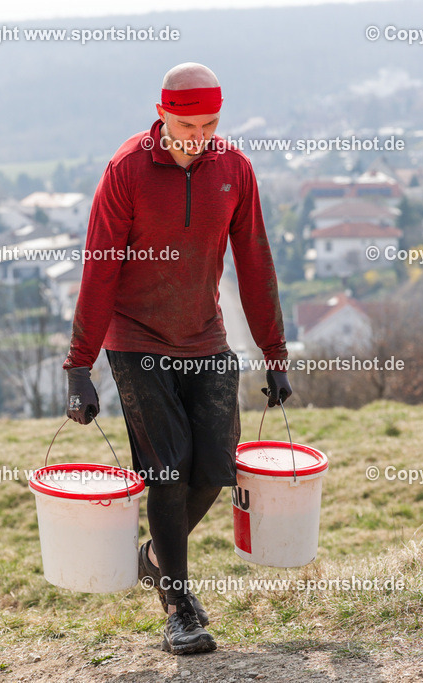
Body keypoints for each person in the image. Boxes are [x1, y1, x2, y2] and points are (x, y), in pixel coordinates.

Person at [62, 62, 291, 655]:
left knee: (215, 468)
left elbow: (255, 261)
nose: (198, 136)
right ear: (161, 113)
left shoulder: (234, 169)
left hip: (205, 336)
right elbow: (99, 268)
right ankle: (179, 606)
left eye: (211, 124)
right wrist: (78, 366)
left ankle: (155, 557)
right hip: (135, 339)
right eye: (187, 124)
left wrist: (275, 352)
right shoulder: (127, 170)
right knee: (167, 467)